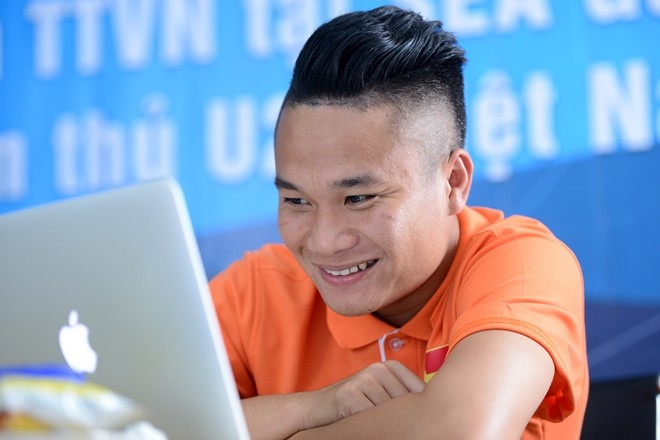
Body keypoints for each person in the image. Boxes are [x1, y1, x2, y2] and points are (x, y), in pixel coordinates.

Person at [210, 5, 588, 439]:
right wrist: (317, 406)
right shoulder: (254, 292)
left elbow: (461, 433)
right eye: (297, 200)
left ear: (453, 182)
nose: (325, 241)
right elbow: (150, 427)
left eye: (358, 198)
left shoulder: (523, 265)